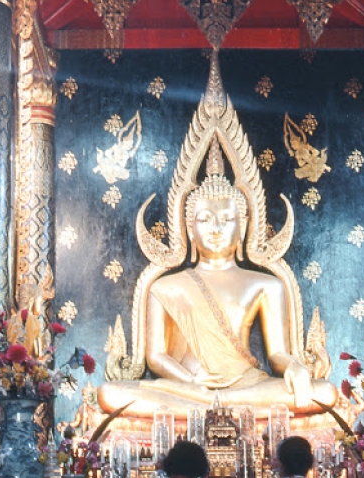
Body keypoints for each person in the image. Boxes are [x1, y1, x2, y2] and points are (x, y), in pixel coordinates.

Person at [98, 144, 337, 418]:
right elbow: (156, 357)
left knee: (324, 392)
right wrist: (192, 384)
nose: (215, 228)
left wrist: (294, 366)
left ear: (243, 226)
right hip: (187, 388)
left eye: (226, 219)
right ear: (189, 228)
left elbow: (278, 354)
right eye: (204, 219)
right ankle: (223, 407)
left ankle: (219, 404)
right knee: (111, 393)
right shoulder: (164, 286)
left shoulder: (267, 285)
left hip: (247, 386)